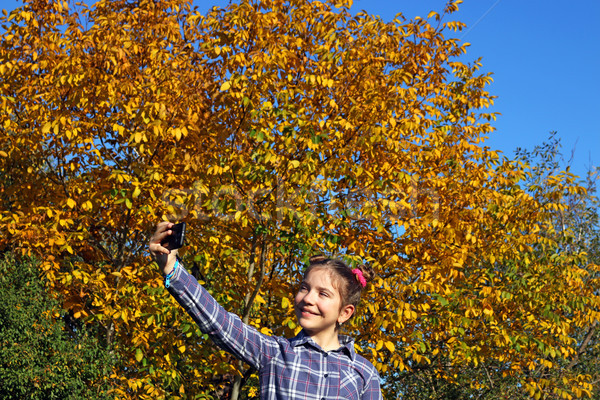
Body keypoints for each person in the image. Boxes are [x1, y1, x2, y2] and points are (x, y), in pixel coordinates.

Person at [149, 221, 383, 400]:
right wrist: (172, 268)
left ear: (345, 312)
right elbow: (221, 323)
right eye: (304, 288)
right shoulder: (275, 353)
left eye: (323, 294)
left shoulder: (363, 372)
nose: (308, 299)